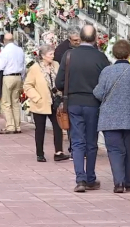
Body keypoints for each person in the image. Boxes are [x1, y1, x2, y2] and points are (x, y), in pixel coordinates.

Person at [55, 25, 110, 193]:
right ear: (95, 39)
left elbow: (59, 83)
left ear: (80, 37)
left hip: (73, 102)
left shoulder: (69, 55)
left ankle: (80, 179)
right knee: (91, 142)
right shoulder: (101, 58)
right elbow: (106, 83)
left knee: (77, 141)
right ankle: (91, 178)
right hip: (93, 102)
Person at [93, 40, 130, 193]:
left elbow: (99, 93)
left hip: (110, 119)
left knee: (115, 151)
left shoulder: (106, 71)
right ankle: (129, 182)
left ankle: (118, 183)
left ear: (113, 54)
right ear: (129, 54)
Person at [23, 44, 70, 162]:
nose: (53, 56)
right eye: (50, 54)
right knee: (40, 129)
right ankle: (40, 153)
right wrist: (37, 98)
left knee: (58, 127)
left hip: (55, 101)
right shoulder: (34, 68)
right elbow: (27, 85)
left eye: (53, 54)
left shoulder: (56, 65)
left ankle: (59, 152)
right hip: (41, 103)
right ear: (43, 56)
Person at [54, 26, 81, 160]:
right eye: (75, 40)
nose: (78, 42)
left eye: (79, 40)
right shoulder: (61, 51)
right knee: (72, 123)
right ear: (69, 39)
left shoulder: (86, 49)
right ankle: (74, 148)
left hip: (82, 90)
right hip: (69, 91)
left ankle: (80, 148)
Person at [0, 33, 25, 134]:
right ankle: (17, 126)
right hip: (18, 76)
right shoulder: (20, 50)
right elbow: (23, 65)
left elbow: (0, 66)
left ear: (4, 40)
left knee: (6, 102)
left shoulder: (5, 50)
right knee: (15, 102)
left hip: (8, 77)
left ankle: (10, 126)